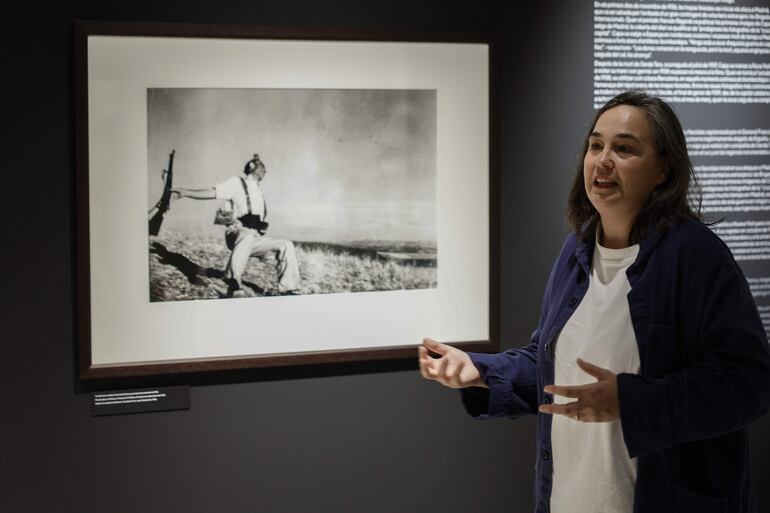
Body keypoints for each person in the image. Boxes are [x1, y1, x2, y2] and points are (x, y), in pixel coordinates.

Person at [419, 91, 770, 513]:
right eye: (595, 145)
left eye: (624, 148)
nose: (603, 160)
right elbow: (552, 368)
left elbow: (748, 383)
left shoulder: (696, 256)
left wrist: (631, 401)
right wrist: (479, 369)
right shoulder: (576, 250)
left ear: (663, 169)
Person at [172, 154, 300, 297]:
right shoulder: (237, 182)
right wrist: (185, 192)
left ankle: (289, 289)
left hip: (253, 238)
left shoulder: (258, 192)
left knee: (286, 245)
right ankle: (232, 281)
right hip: (237, 233)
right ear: (252, 167)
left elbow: (258, 223)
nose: (266, 171)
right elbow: (212, 193)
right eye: (263, 166)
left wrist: (261, 229)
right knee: (246, 235)